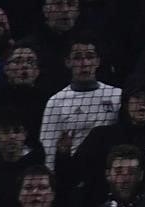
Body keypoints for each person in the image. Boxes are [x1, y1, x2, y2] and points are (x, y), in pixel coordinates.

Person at [38, 38, 121, 170]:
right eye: (77, 58)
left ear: (98, 61)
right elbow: (48, 148)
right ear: (68, 62)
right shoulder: (56, 102)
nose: (84, 63)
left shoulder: (116, 96)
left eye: (90, 57)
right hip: (75, 171)